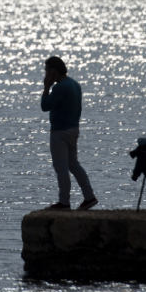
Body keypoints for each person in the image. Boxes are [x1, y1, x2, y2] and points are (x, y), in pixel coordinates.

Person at [41, 56, 97, 210]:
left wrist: (46, 87)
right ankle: (89, 196)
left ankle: (64, 202)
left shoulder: (59, 87)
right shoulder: (74, 84)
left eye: (47, 71)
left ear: (53, 71)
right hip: (73, 129)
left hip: (60, 131)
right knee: (73, 164)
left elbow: (45, 106)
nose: (45, 75)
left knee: (61, 167)